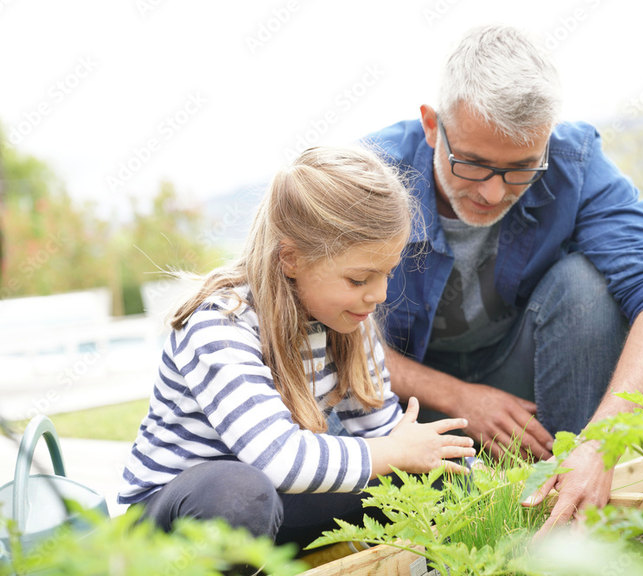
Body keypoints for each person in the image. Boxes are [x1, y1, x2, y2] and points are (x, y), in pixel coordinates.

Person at [364, 25, 643, 533]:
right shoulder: (369, 174)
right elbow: (317, 327)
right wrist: (458, 397)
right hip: (402, 402)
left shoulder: (574, 161)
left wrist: (601, 443)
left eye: (522, 168)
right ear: (433, 126)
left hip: (519, 378)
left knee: (585, 283)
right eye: (474, 164)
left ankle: (573, 491)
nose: (495, 193)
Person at [117, 145, 476, 551]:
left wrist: (447, 463)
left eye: (387, 273)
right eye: (359, 279)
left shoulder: (348, 321)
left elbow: (386, 437)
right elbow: (278, 458)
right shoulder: (221, 323)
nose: (379, 294)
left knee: (442, 471)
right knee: (240, 496)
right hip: (183, 517)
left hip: (274, 502)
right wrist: (395, 450)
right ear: (291, 258)